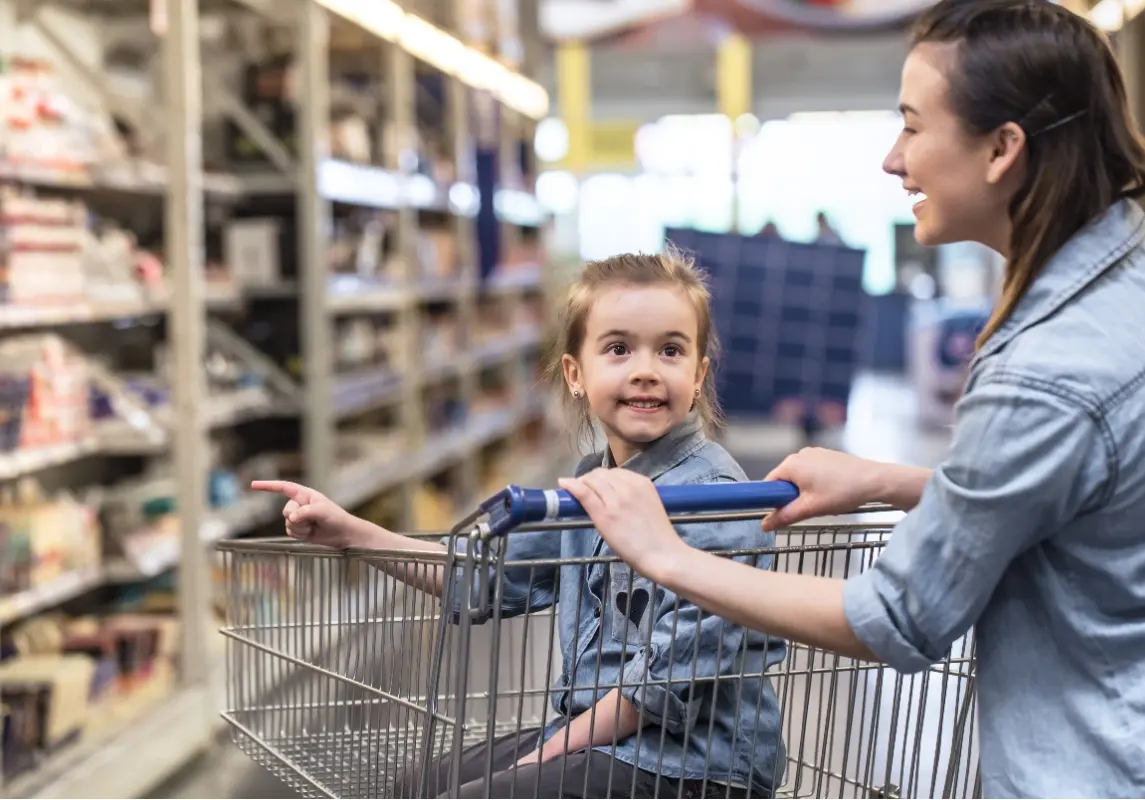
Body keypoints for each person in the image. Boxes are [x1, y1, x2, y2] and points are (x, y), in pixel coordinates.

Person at [558, 1, 1145, 798]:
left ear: (1003, 149)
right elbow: (1109, 497)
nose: (893, 161)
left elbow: (901, 616)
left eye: (911, 126)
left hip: (1105, 767)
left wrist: (665, 556)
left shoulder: (1047, 368)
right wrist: (892, 482)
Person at [252, 250, 787, 799]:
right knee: (418, 786)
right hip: (612, 744)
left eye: (670, 350)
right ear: (576, 375)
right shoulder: (590, 487)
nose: (645, 369)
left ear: (698, 375)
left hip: (695, 766)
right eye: (619, 349)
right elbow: (484, 579)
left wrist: (546, 754)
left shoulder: (714, 497)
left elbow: (664, 687)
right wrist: (352, 533)